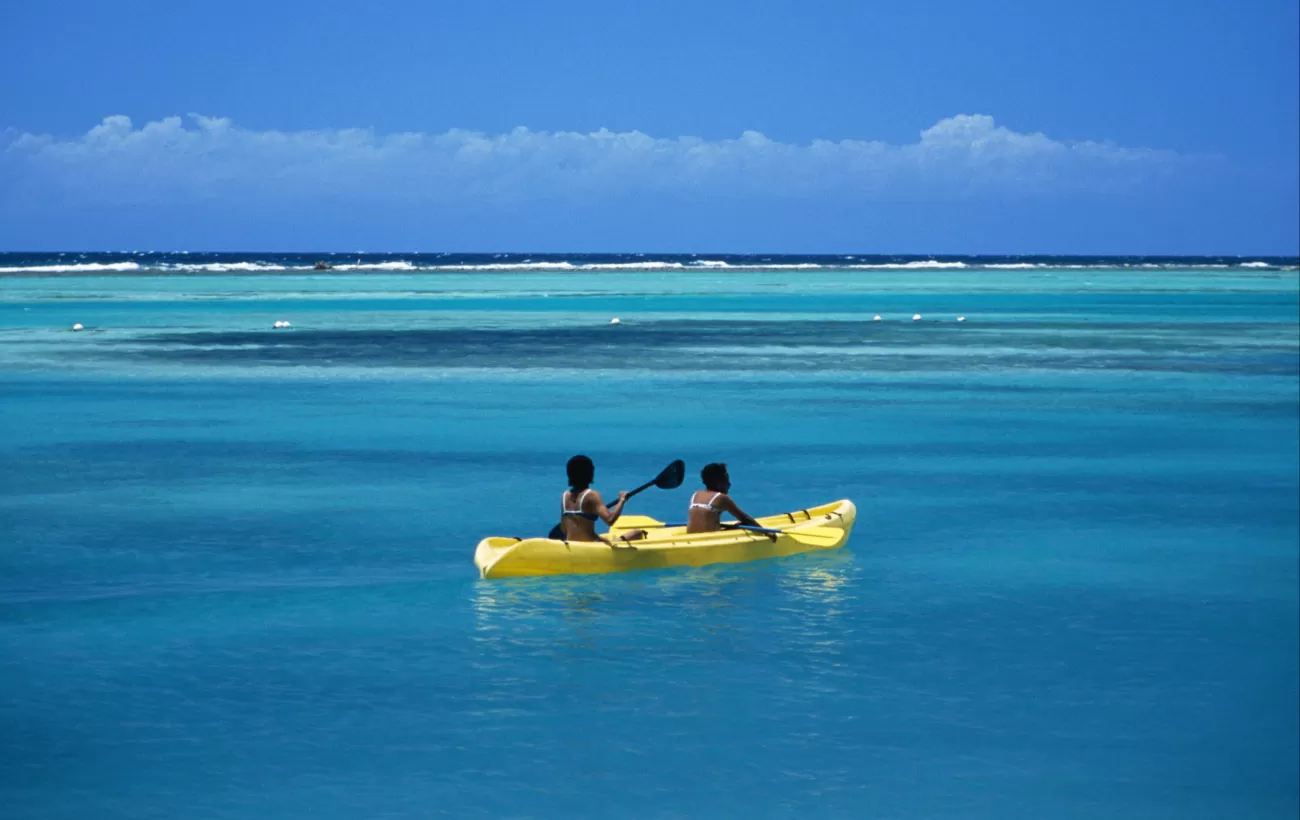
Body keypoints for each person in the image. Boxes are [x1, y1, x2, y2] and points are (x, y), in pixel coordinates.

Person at [560, 455, 645, 544]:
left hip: (570, 544)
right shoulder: (591, 495)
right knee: (637, 533)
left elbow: (563, 528)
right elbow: (610, 520)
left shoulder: (564, 496)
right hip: (591, 545)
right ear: (589, 473)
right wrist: (622, 500)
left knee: (604, 539)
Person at [686, 462, 767, 535]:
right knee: (743, 524)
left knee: (737, 526)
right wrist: (766, 532)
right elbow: (745, 518)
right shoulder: (721, 498)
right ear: (718, 482)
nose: (729, 484)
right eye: (726, 480)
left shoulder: (695, 495)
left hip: (691, 538)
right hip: (709, 540)